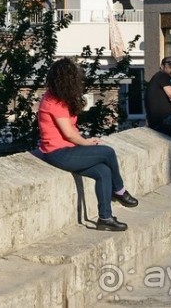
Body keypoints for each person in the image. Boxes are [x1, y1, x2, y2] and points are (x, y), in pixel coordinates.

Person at [36, 58, 138, 232]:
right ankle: (119, 190)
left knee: (104, 172)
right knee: (107, 152)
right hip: (59, 152)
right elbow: (68, 134)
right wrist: (87, 142)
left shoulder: (58, 97)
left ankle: (105, 218)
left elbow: (70, 131)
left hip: (67, 149)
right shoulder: (54, 102)